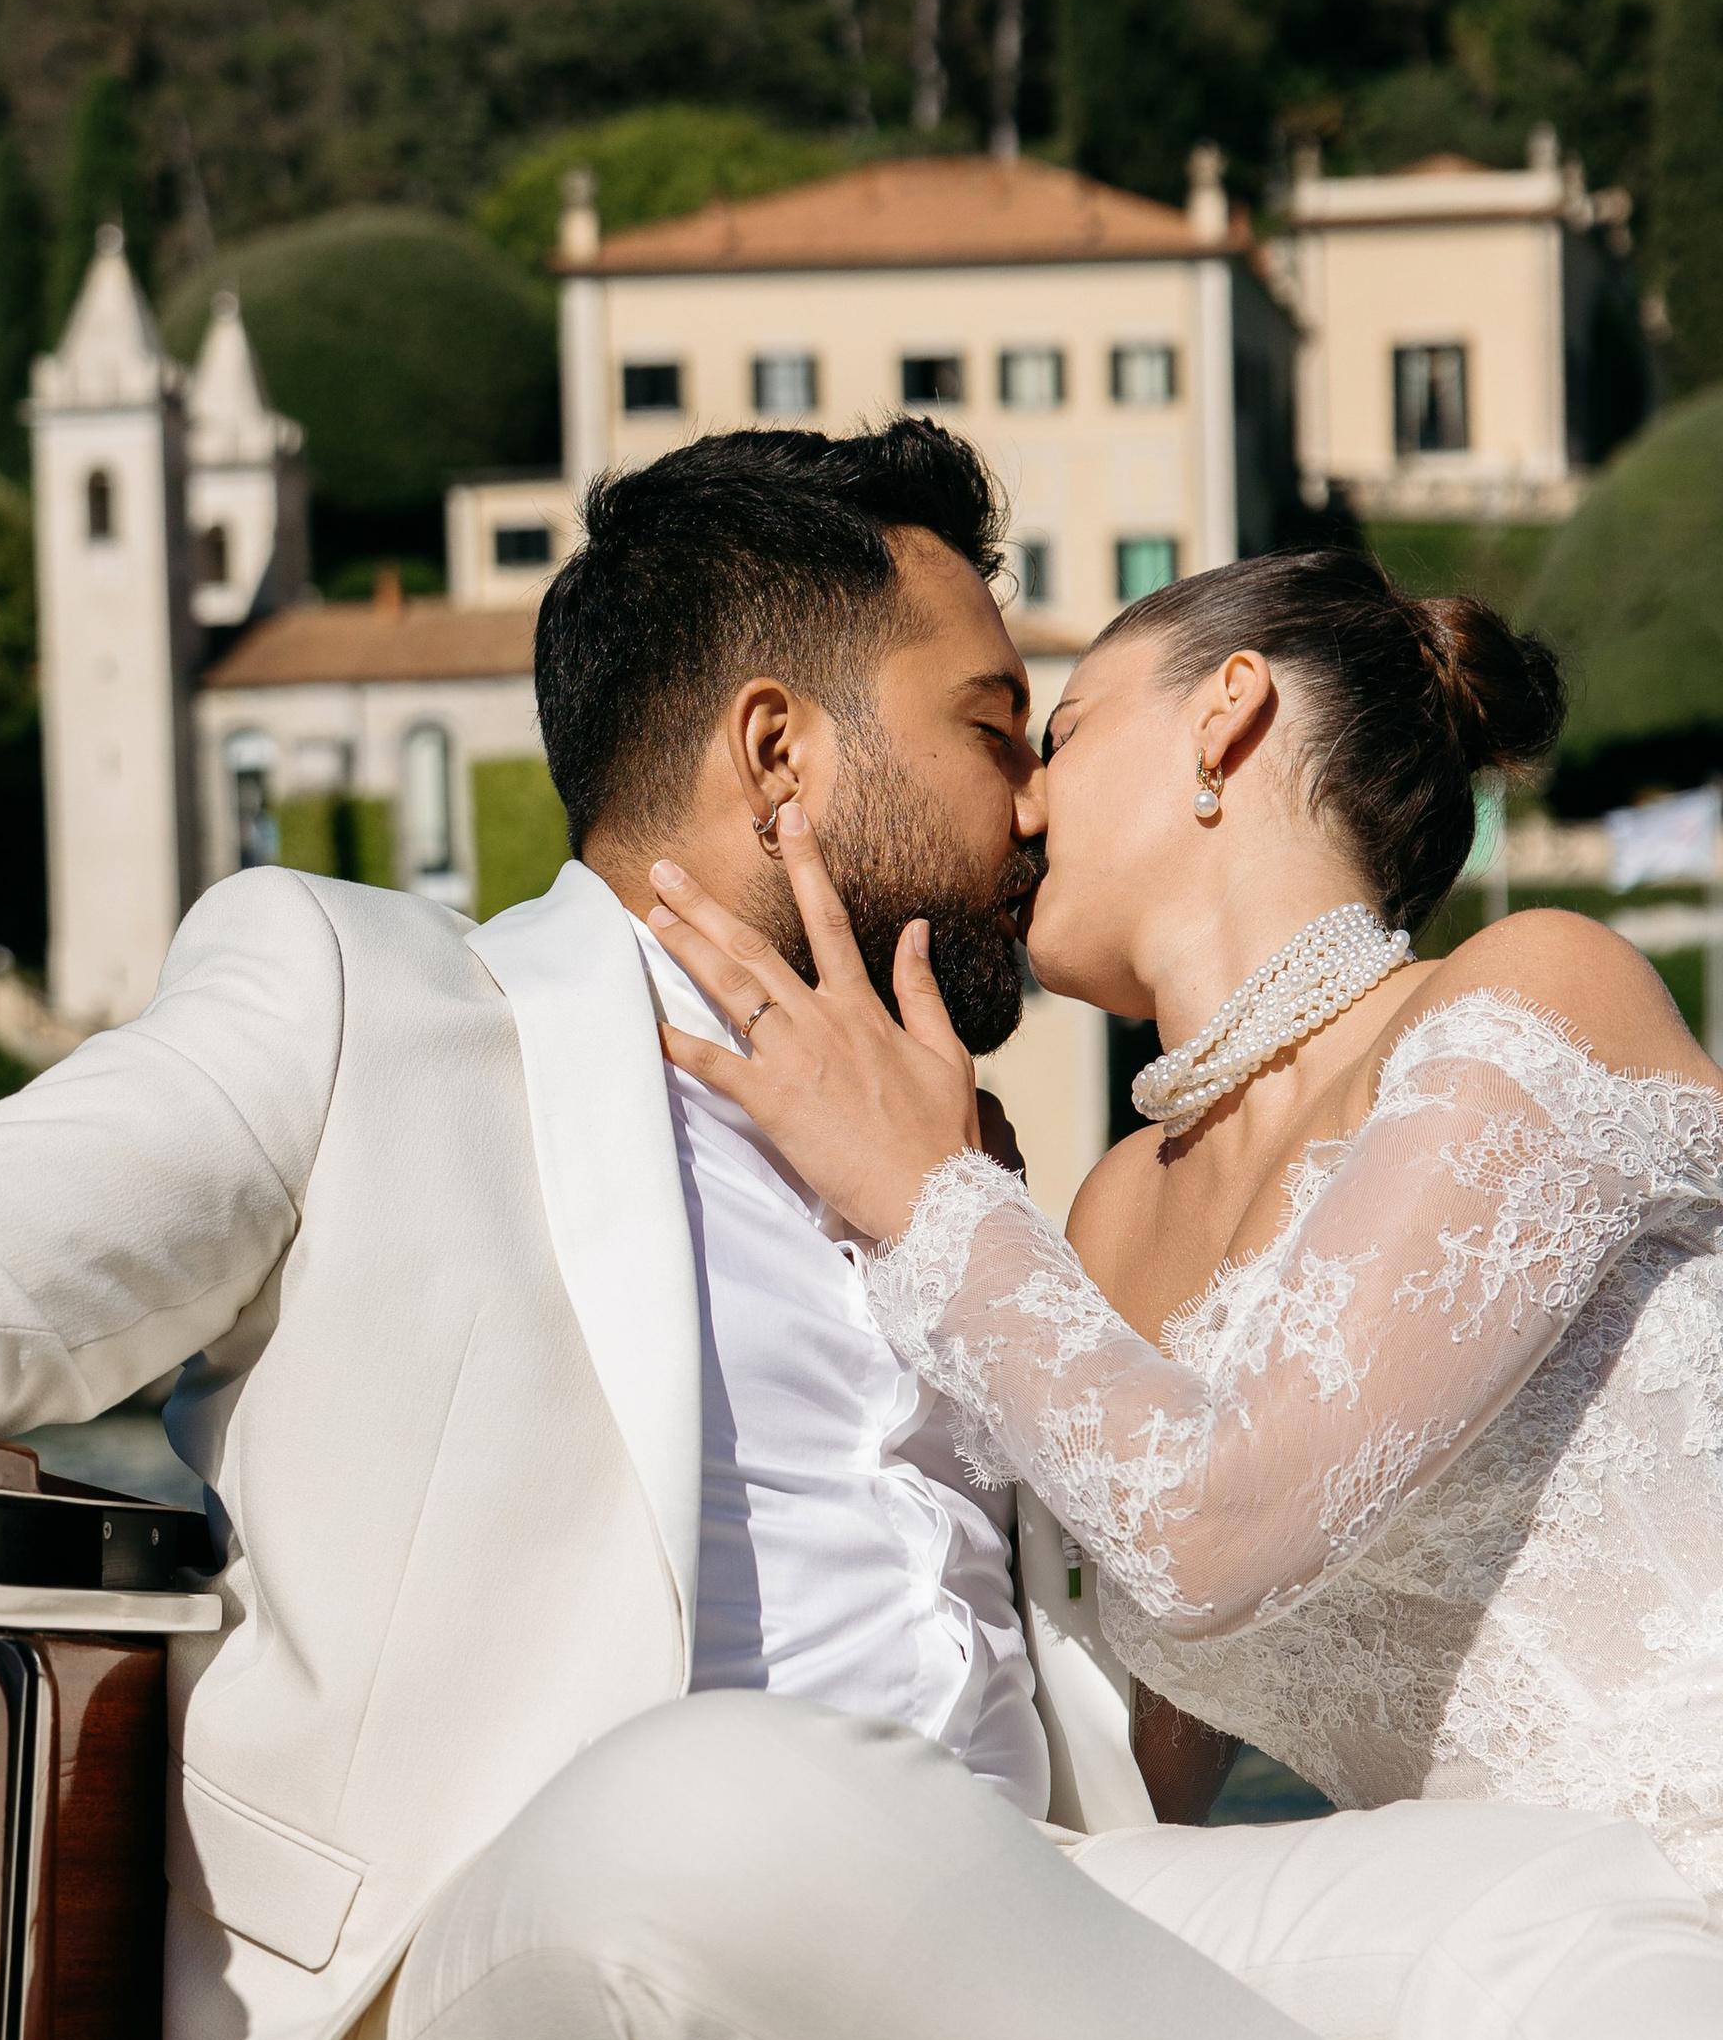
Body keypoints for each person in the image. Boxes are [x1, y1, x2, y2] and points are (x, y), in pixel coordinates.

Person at [0, 436, 1723, 2040]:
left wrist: (930, 1199)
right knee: (718, 1824)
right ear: (778, 752)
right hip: (522, 2034)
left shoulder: (973, 1175)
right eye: (1000, 729)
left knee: (1519, 1902)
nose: (1029, 813)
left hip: (1024, 1973)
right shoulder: (361, 997)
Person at [648, 538, 1723, 1897]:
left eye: (1063, 731)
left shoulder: (1536, 995)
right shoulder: (1106, 1217)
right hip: (1465, 1981)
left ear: (1227, 716)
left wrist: (926, 1198)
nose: (1020, 806)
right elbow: (1128, 1783)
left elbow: (1217, 1528)